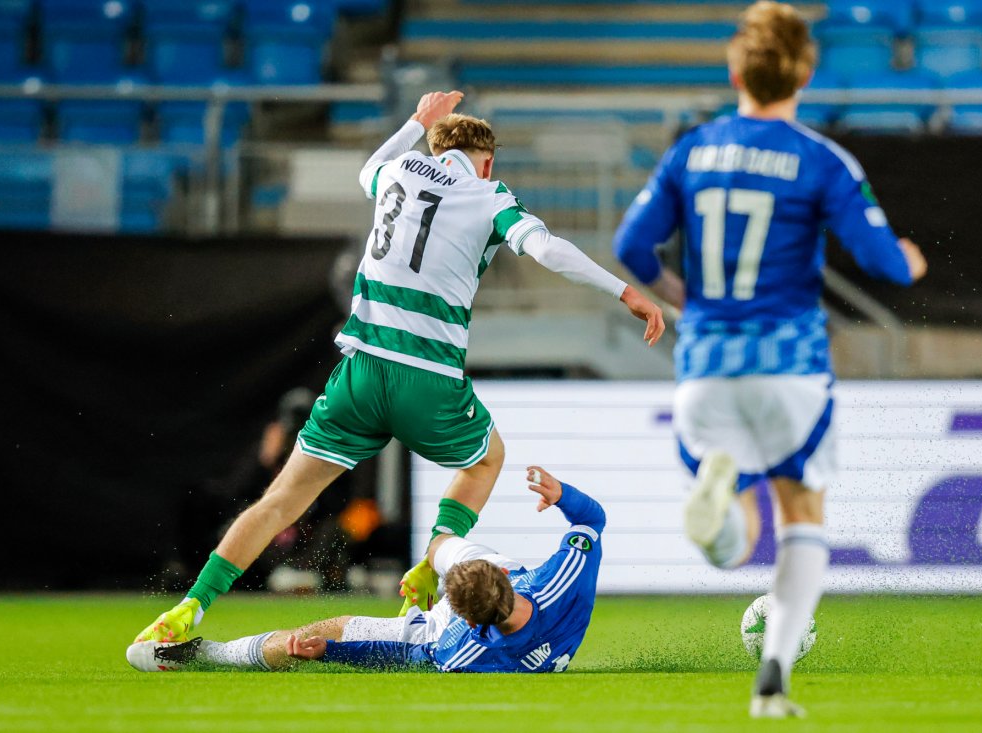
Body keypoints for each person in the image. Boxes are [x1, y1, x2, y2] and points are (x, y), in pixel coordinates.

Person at [135, 91, 663, 646]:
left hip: (360, 374)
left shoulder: (395, 173)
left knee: (279, 502)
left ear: (437, 149)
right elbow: (548, 249)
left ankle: (193, 604)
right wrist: (624, 290)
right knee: (487, 460)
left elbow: (367, 167)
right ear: (487, 160)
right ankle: (432, 561)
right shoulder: (489, 195)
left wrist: (416, 120)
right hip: (426, 380)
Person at [612, 1, 927, 718]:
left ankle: (721, 501)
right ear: (805, 74)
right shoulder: (822, 159)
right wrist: (907, 261)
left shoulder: (691, 150)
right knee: (801, 515)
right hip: (790, 367)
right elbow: (881, 260)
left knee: (732, 544)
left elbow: (632, 246)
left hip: (707, 362)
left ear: (734, 70)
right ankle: (774, 679)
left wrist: (680, 295)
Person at [126, 467, 605, 674]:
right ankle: (429, 567)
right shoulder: (558, 583)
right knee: (439, 552)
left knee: (320, 630)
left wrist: (328, 651)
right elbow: (591, 522)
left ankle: (201, 654)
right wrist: (564, 497)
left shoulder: (455, 648)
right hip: (510, 603)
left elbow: (387, 652)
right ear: (501, 580)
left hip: (433, 625)